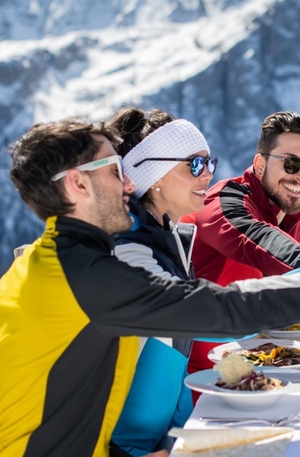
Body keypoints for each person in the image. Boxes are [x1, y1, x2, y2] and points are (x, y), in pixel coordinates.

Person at [0, 119, 300, 457]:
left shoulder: (68, 259)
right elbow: (216, 311)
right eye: (116, 172)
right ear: (78, 185)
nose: (128, 184)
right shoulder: (84, 272)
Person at [183, 111, 300, 376]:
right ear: (260, 164)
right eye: (291, 164)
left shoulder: (292, 215)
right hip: (202, 377)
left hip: (255, 364)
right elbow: (258, 237)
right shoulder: (224, 202)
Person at [105, 108, 215, 456]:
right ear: (154, 174)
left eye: (211, 163)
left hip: (165, 441)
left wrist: (180, 438)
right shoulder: (128, 252)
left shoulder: (170, 238)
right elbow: (200, 314)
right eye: (195, 165)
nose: (208, 175)